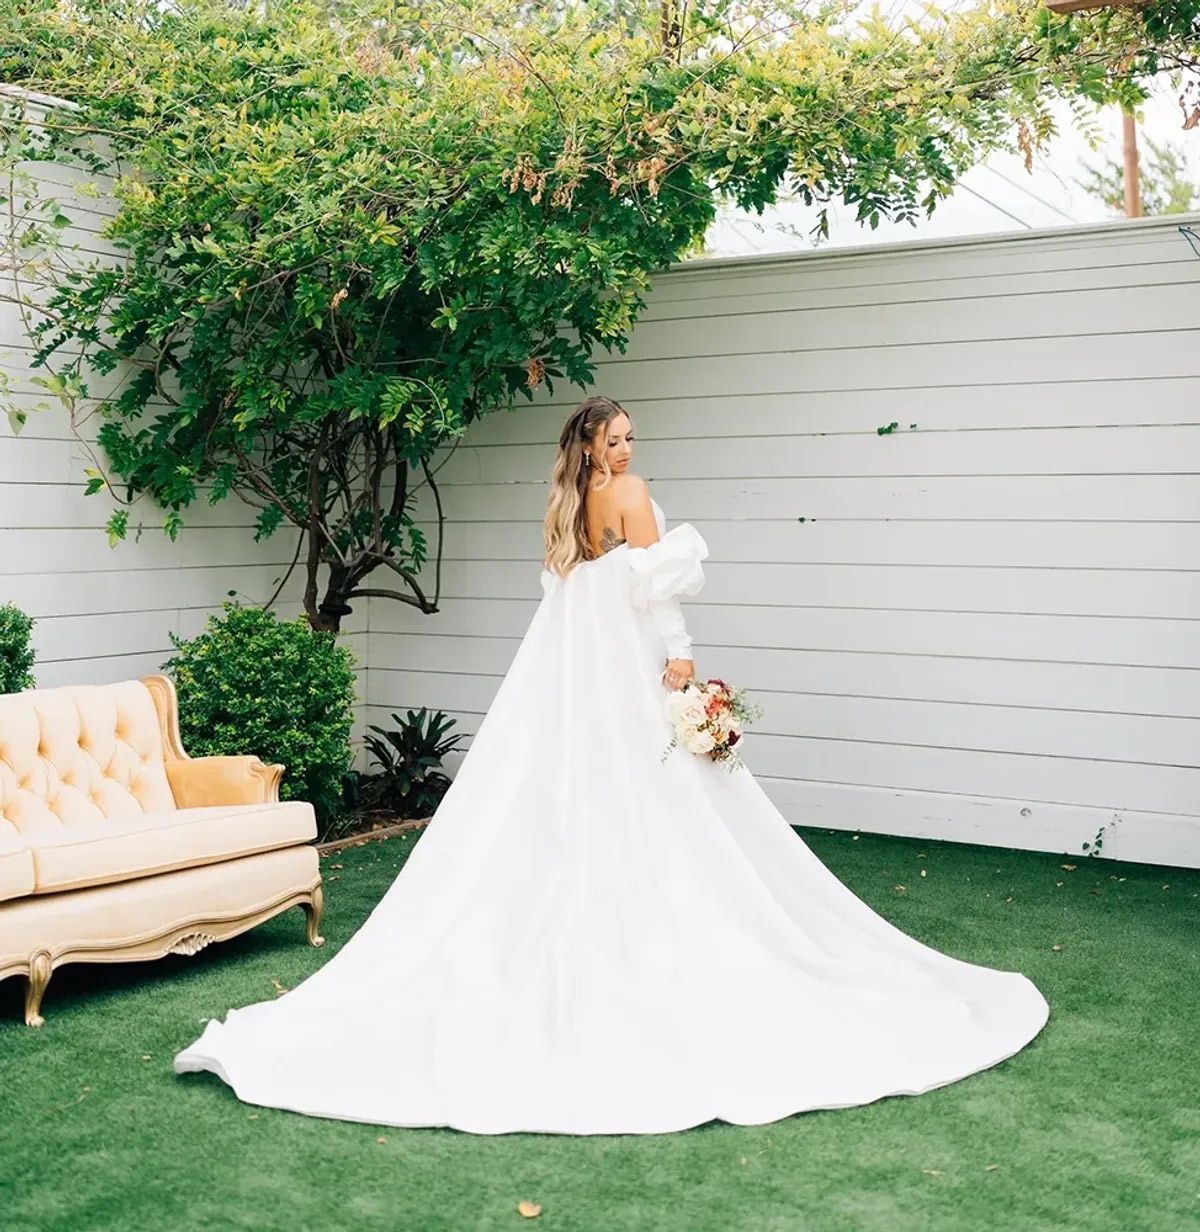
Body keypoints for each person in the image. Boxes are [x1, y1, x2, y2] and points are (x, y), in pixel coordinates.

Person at [174, 394, 1050, 1136]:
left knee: (589, 781)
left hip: (573, 671)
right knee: (652, 782)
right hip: (622, 662)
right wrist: (680, 658)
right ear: (594, 446)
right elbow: (655, 585)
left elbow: (579, 591)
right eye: (617, 437)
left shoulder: (563, 505)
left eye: (631, 437)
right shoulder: (629, 496)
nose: (629, 448)